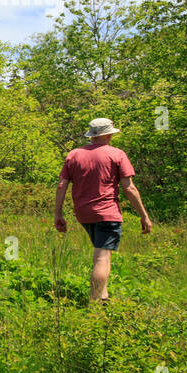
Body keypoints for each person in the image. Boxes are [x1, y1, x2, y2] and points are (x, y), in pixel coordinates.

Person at [54, 117, 152, 302]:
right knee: (101, 257)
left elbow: (62, 185)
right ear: (108, 134)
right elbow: (129, 188)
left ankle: (104, 296)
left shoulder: (74, 154)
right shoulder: (117, 154)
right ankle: (95, 302)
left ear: (92, 135)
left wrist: (58, 214)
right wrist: (143, 215)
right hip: (107, 212)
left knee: (102, 253)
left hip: (83, 213)